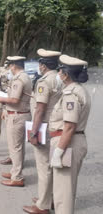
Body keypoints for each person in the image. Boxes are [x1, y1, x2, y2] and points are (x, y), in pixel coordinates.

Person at [48, 55, 90, 214]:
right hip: (68, 142)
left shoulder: (71, 94)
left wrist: (58, 153)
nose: (58, 74)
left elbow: (69, 127)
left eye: (60, 71)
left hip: (67, 144)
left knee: (63, 194)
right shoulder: (78, 90)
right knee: (65, 190)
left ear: (65, 74)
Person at [22, 49, 62, 214]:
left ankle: (42, 206)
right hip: (58, 126)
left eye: (40, 64)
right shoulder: (60, 79)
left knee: (44, 166)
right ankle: (49, 198)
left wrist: (33, 132)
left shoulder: (44, 82)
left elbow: (40, 109)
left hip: (45, 126)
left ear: (43, 66)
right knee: (53, 167)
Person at [0, 56, 32, 187]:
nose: (9, 68)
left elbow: (15, 100)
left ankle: (17, 177)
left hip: (17, 116)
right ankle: (15, 171)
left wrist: (1, 99)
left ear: (13, 66)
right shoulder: (24, 77)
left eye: (10, 66)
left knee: (15, 147)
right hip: (21, 114)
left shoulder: (19, 79)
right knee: (18, 146)